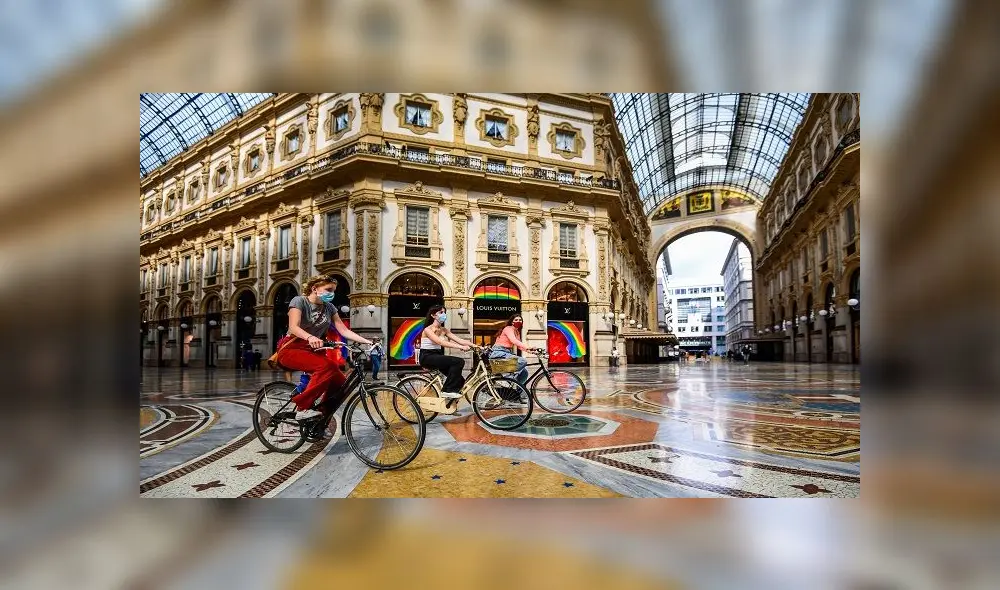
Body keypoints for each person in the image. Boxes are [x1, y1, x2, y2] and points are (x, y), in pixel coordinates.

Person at [274, 275, 373, 421]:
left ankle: (321, 416)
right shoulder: (300, 301)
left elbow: (344, 330)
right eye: (328, 289)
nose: (332, 293)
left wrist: (368, 342)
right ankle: (303, 407)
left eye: (333, 290)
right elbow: (293, 327)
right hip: (292, 348)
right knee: (326, 366)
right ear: (314, 288)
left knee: (340, 383)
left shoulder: (329, 307)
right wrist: (310, 337)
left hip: (315, 350)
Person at [418, 305, 475, 398]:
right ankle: (447, 391)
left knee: (460, 380)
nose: (444, 315)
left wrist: (476, 346)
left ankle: (448, 405)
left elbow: (459, 339)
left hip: (437, 356)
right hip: (427, 357)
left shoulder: (444, 330)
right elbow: (440, 342)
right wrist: (461, 347)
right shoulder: (428, 330)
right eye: (441, 312)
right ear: (433, 315)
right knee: (458, 361)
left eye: (444, 312)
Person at [489, 314, 533, 385]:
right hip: (499, 352)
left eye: (520, 320)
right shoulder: (508, 328)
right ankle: (506, 378)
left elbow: (519, 346)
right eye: (516, 320)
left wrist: (531, 351)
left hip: (507, 352)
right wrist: (527, 347)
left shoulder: (517, 331)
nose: (518, 321)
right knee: (522, 361)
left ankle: (516, 391)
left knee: (524, 372)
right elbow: (514, 340)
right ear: (512, 322)